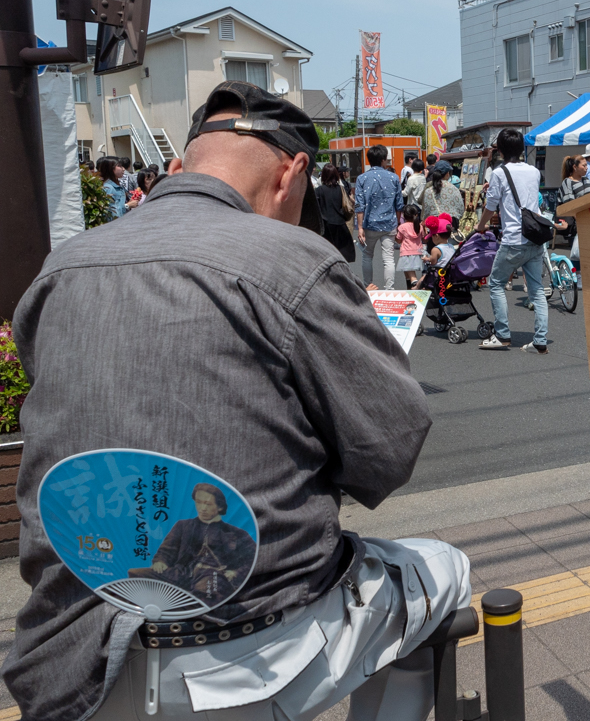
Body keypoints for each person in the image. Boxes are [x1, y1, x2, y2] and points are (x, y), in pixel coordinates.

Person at [4, 80, 469, 721]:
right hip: (252, 649)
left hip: (72, 660)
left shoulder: (61, 270)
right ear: (292, 175)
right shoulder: (291, 260)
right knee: (443, 568)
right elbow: (387, 453)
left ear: (177, 166)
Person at [476, 128, 548, 354]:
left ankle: (503, 334)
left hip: (513, 239)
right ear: (521, 149)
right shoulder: (534, 171)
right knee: (536, 290)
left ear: (500, 150)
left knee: (496, 283)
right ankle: (540, 341)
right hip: (535, 238)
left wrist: (480, 226)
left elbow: (491, 206)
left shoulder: (499, 172)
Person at [128, 483, 256, 606]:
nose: (202, 508)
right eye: (198, 502)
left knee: (206, 590)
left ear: (220, 507)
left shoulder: (237, 533)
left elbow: (251, 559)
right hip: (181, 574)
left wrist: (235, 573)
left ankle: (185, 610)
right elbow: (167, 550)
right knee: (136, 574)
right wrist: (160, 561)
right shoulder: (182, 526)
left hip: (212, 575)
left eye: (207, 504)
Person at [354, 144, 405, 289]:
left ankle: (368, 286)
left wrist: (360, 228)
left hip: (369, 223)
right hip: (389, 224)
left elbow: (359, 205)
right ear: (383, 160)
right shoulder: (394, 177)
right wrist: (398, 224)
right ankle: (389, 289)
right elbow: (399, 204)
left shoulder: (362, 178)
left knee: (367, 255)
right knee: (388, 259)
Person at [316, 162, 356, 262]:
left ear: (323, 176)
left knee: (326, 255)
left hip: (326, 226)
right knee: (342, 255)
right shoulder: (340, 189)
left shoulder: (319, 190)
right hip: (340, 224)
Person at [421, 160, 465, 229]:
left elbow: (426, 212)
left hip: (434, 226)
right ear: (447, 174)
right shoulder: (454, 189)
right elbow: (461, 210)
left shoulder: (428, 191)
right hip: (451, 225)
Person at [396, 204, 425, 287]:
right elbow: (423, 238)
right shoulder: (419, 226)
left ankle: (415, 284)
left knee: (411, 275)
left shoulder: (402, 227)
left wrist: (394, 237)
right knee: (407, 273)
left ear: (404, 216)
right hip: (418, 252)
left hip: (406, 252)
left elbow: (398, 240)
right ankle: (410, 288)